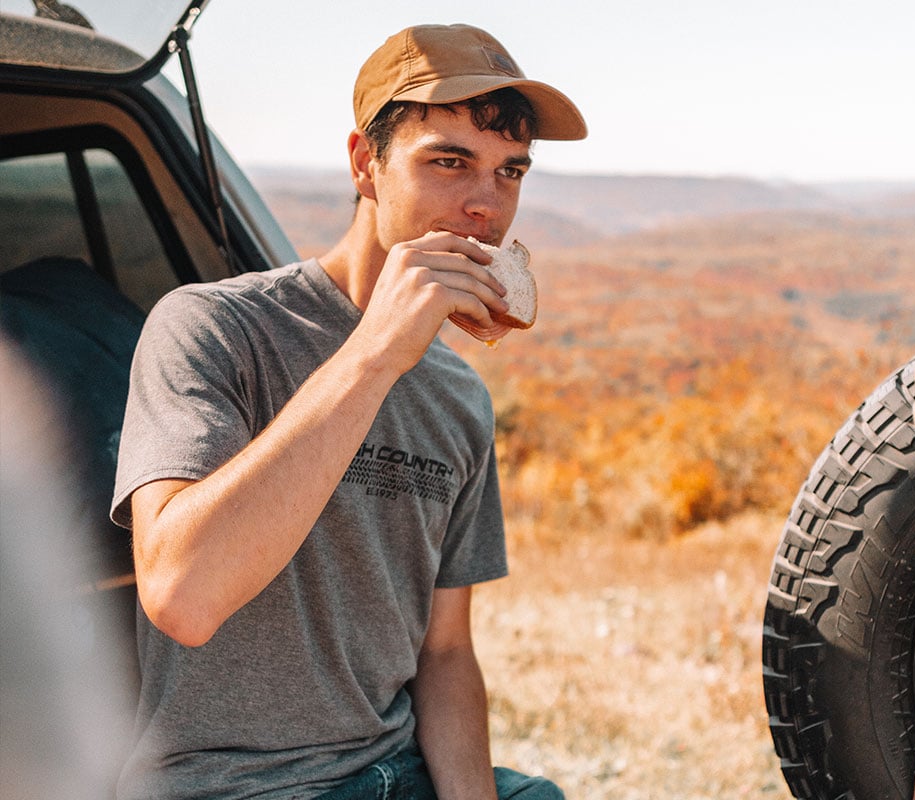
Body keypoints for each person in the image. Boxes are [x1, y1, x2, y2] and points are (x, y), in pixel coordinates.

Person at [110, 23, 586, 800]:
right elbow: (181, 598)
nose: (485, 205)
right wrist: (374, 354)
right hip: (232, 784)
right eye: (449, 161)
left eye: (511, 172)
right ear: (366, 164)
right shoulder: (213, 328)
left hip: (398, 772)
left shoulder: (459, 395)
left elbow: (445, 655)